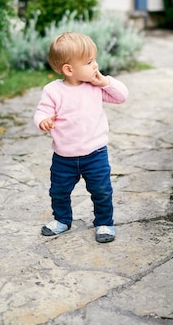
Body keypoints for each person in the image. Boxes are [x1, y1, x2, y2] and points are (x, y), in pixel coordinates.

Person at [33, 31, 129, 243]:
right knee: (58, 191)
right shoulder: (53, 91)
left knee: (102, 191)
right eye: (88, 62)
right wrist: (43, 121)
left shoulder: (94, 87)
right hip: (63, 157)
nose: (95, 65)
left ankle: (104, 222)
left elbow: (121, 96)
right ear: (68, 69)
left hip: (95, 154)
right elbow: (41, 112)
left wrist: (105, 81)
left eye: (94, 60)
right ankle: (62, 220)